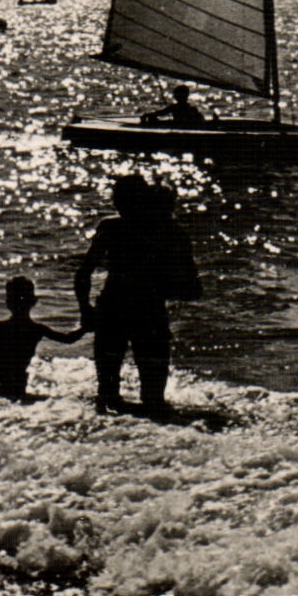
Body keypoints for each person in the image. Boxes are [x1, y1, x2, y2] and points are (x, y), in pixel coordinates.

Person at [75, 176, 202, 416]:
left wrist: (85, 310)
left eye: (118, 198)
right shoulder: (171, 232)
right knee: (154, 400)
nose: (116, 203)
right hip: (149, 314)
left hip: (112, 310)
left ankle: (107, 440)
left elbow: (83, 274)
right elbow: (193, 289)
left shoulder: (110, 227)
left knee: (108, 396)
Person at [0, 276, 86, 401]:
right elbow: (68, 339)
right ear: (34, 301)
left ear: (8, 303)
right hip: (17, 383)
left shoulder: (0, 327)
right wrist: (85, 329)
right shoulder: (36, 329)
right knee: (49, 401)